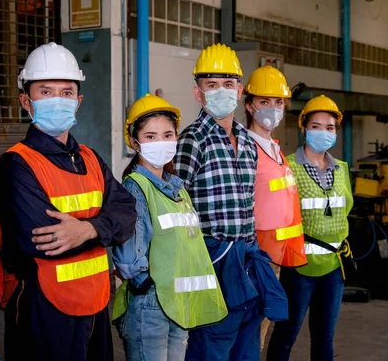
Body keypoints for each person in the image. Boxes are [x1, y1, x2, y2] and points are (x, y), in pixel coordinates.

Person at [0, 42, 137, 361]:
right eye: (46, 91)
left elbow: (128, 212)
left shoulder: (91, 159)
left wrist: (88, 230)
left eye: (66, 92)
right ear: (26, 101)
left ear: (78, 101)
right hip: (41, 309)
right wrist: (103, 229)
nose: (58, 100)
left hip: (96, 305)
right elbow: (46, 239)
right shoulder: (16, 166)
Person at [175, 43, 288, 361]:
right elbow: (178, 208)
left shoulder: (248, 143)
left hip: (247, 263)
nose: (221, 91)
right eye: (211, 85)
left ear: (239, 91)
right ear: (199, 93)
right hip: (213, 263)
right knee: (211, 348)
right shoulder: (192, 141)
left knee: (248, 349)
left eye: (227, 84)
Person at [111, 94, 227, 361]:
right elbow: (129, 258)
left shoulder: (177, 188)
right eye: (151, 137)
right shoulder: (135, 187)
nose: (161, 142)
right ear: (134, 141)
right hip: (151, 304)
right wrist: (150, 287)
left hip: (177, 302)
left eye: (167, 134)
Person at [267, 95, 353, 361]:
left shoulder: (342, 169)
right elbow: (278, 216)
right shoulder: (288, 167)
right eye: (316, 126)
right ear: (304, 129)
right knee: (286, 334)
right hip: (299, 266)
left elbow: (346, 209)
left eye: (330, 128)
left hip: (333, 267)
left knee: (325, 336)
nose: (323, 133)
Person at [243, 66, 307, 349]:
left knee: (263, 326)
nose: (272, 108)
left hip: (277, 255)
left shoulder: (275, 148)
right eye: (264, 102)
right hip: (256, 255)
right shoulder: (246, 148)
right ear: (249, 105)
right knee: (250, 328)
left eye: (278, 102)